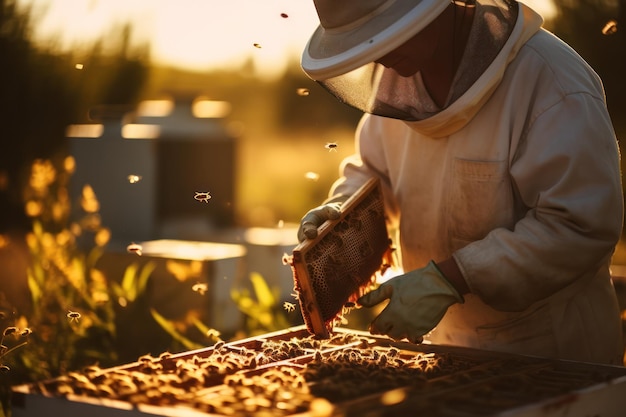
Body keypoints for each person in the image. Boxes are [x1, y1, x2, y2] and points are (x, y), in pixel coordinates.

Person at [297, 0, 624, 365]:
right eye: (366, 40)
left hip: (551, 354)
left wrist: (452, 278)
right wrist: (339, 212)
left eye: (389, 31)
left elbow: (578, 226)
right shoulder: (395, 86)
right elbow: (374, 172)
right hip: (444, 350)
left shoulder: (551, 83)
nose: (380, 53)